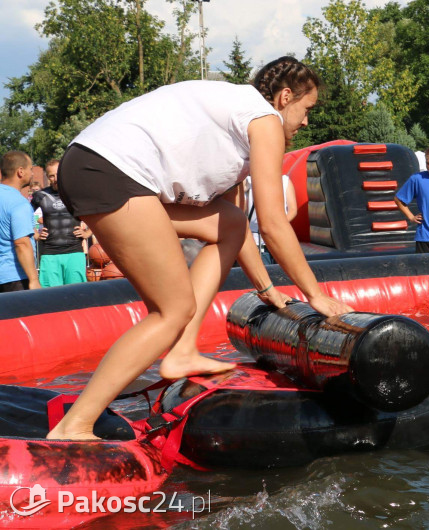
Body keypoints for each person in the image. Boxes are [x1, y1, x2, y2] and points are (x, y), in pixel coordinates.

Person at [47, 56, 350, 441]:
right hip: (108, 171)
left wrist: (268, 291)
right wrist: (315, 295)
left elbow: (236, 229)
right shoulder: (264, 120)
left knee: (230, 224)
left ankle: (182, 351)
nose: (306, 121)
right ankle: (75, 424)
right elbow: (273, 224)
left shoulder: (237, 130)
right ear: (285, 96)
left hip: (92, 167)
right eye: (306, 108)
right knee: (170, 311)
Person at [32, 159, 91, 286]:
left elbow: (96, 212)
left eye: (58, 174)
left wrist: (88, 233)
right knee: (50, 297)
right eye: (51, 176)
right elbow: (23, 216)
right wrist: (35, 234)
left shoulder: (76, 193)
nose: (55, 178)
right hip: (49, 253)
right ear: (47, 177)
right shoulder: (40, 195)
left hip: (74, 251)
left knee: (78, 294)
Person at [0, 151, 41, 292]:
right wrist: (34, 280)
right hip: (15, 278)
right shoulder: (19, 203)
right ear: (20, 172)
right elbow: (22, 243)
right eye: (31, 169)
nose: (33, 173)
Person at [243, 174, 297, 264]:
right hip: (257, 240)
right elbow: (242, 209)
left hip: (280, 238)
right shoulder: (249, 182)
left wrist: (278, 225)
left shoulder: (284, 181)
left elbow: (293, 209)